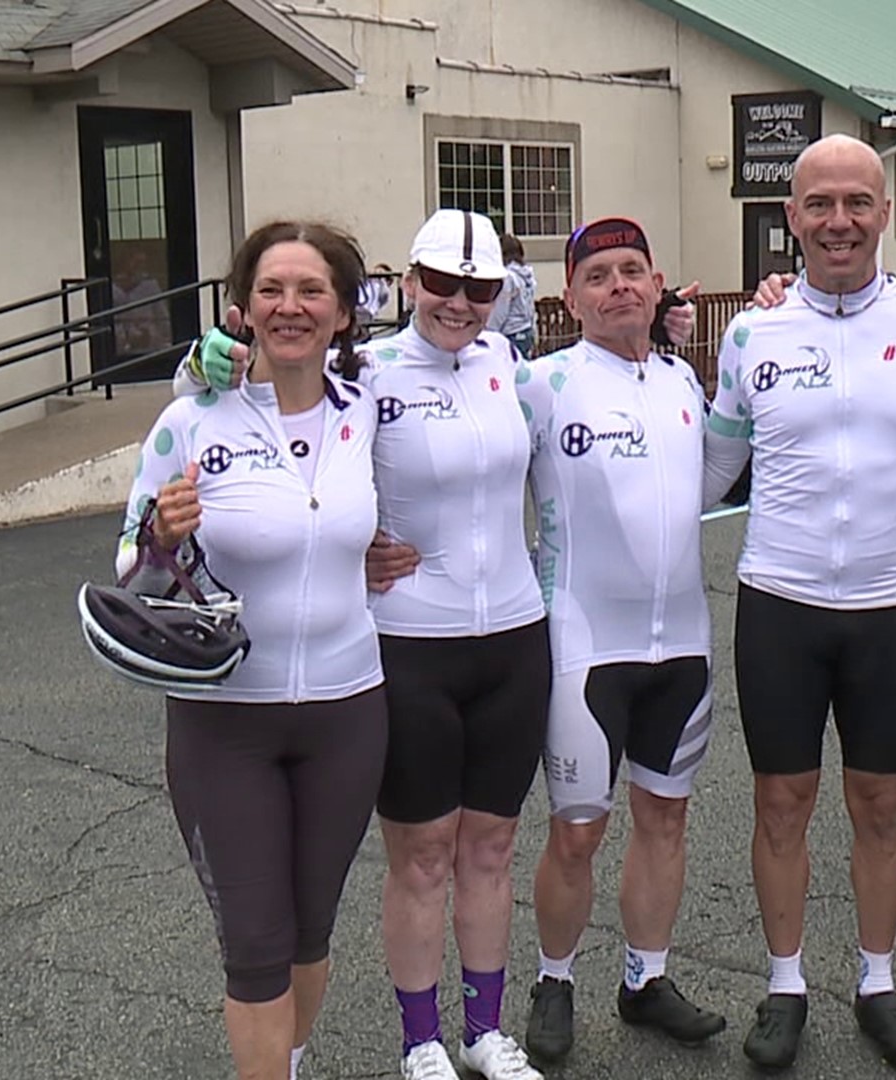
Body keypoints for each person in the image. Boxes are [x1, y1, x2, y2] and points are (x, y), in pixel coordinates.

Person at [184, 209, 550, 1080]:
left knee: (493, 846)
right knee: (423, 853)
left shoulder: (515, 367)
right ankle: (420, 1041)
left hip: (514, 636)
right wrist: (199, 358)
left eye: (479, 288)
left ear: (502, 296)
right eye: (442, 284)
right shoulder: (368, 371)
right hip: (411, 643)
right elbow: (259, 383)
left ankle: (484, 1031)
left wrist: (677, 326)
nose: (459, 303)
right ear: (409, 284)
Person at [367, 218, 719, 1065]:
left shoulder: (680, 381)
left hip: (681, 645)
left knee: (663, 820)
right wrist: (359, 541)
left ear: (659, 283)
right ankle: (552, 982)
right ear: (569, 297)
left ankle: (646, 976)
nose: (619, 287)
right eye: (598, 276)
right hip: (576, 641)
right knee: (574, 831)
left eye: (634, 271)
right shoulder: (534, 382)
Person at [700, 133, 896, 1072]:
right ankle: (785, 984)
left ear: (887, 212)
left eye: (857, 203)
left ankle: (877, 981)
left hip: (888, 608)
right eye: (819, 205)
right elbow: (708, 471)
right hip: (780, 603)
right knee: (781, 802)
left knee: (882, 803)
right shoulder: (752, 333)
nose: (838, 222)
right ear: (791, 218)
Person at [120, 220, 388, 1080]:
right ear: (241, 309)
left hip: (348, 712)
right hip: (224, 723)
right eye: (271, 290)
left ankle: (289, 1062)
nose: (291, 307)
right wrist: (161, 536)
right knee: (256, 945)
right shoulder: (192, 418)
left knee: (312, 930)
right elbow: (131, 571)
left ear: (343, 312)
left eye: (312, 291)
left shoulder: (368, 410)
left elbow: (458, 359)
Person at [497, 234, 538, 358]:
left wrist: (489, 332)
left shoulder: (508, 278)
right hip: (526, 330)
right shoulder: (527, 276)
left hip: (510, 333)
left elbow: (500, 310)